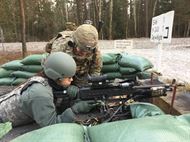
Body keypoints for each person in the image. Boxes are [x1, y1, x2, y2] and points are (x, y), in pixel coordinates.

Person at [0, 52, 97, 127]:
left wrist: (76, 97)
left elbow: (55, 101)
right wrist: (75, 109)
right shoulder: (40, 93)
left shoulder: (50, 82)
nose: (72, 80)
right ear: (56, 77)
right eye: (68, 77)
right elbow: (50, 125)